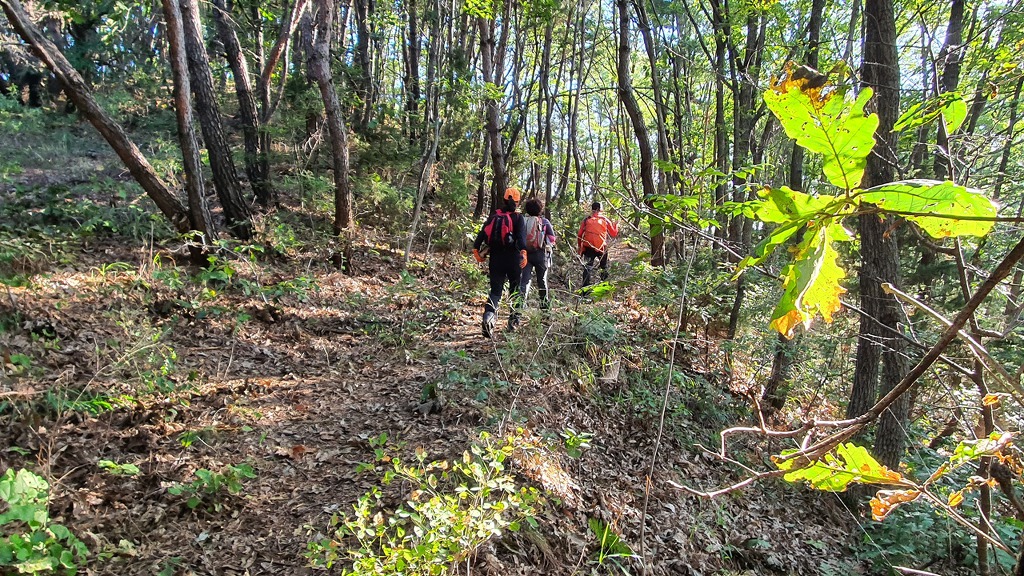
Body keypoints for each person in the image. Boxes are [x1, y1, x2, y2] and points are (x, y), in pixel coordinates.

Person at [473, 187, 528, 337]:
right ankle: (513, 323)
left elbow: (481, 235)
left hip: (496, 259)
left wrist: (476, 250)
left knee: (495, 291)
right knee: (515, 291)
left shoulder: (494, 215)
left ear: (503, 199)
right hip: (514, 260)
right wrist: (524, 253)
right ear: (518, 202)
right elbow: (521, 239)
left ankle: (488, 317)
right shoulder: (518, 218)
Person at [518, 198, 556, 310]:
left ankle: (520, 307)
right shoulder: (544, 222)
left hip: (525, 254)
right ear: (540, 209)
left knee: (524, 280)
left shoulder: (523, 221)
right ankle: (545, 308)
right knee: (542, 281)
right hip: (541, 254)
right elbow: (552, 238)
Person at [577, 201, 618, 288]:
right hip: (602, 247)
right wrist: (616, 225)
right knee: (604, 267)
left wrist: (580, 247)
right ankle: (605, 288)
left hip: (588, 247)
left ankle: (585, 290)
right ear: (600, 209)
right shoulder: (605, 220)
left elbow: (580, 234)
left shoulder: (586, 220)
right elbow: (614, 233)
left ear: (592, 209)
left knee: (587, 267)